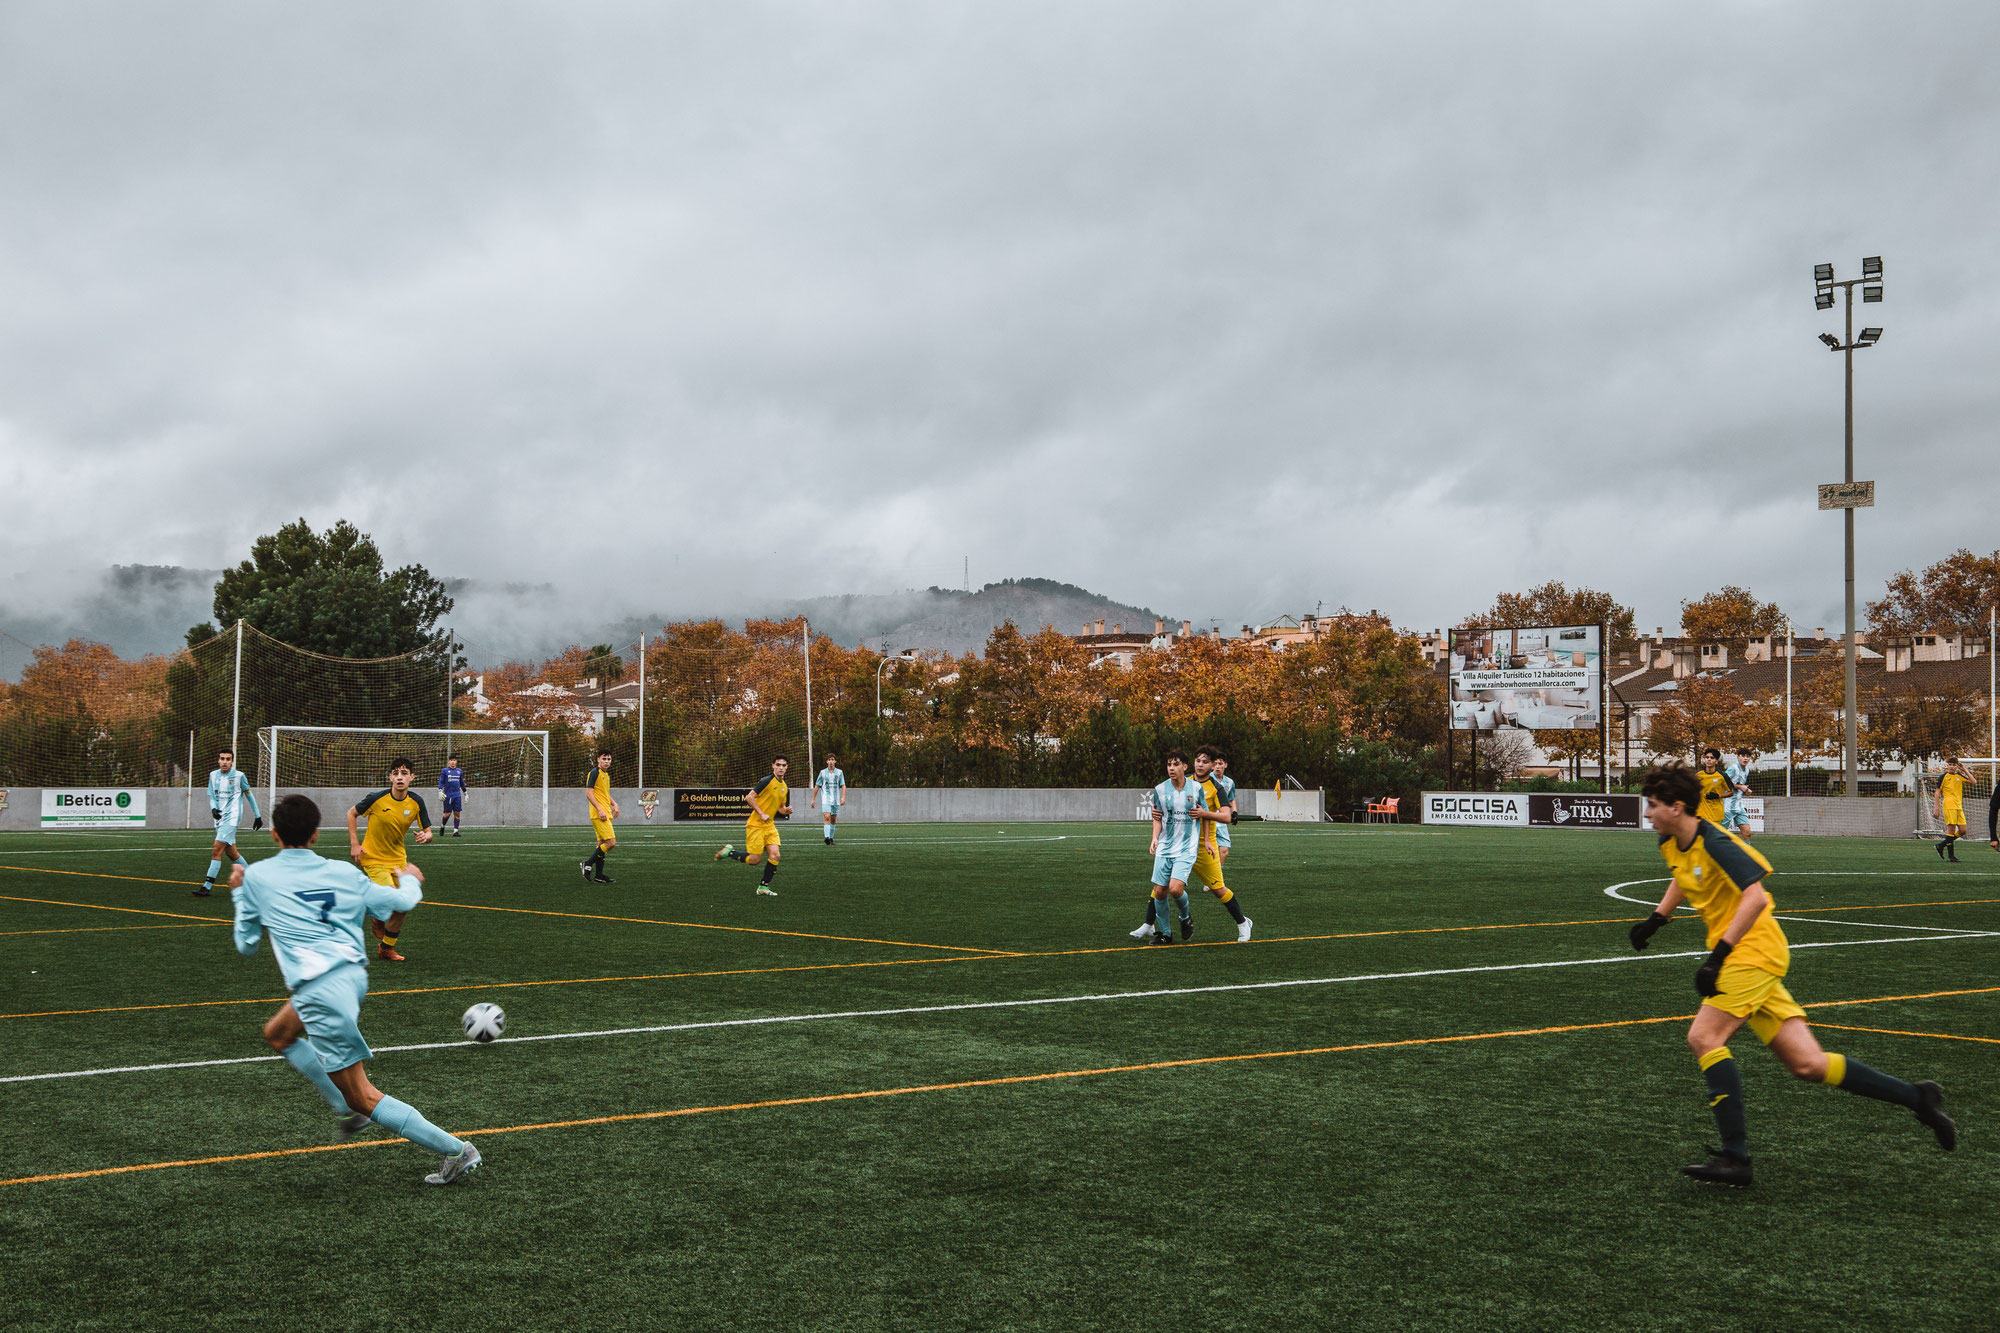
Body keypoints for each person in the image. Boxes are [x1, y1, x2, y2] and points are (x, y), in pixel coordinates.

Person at [1627, 761, 1955, 1186]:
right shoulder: (1672, 842)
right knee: (1808, 1064)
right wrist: (1657, 919)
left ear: (1676, 807)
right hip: (1748, 956)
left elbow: (1756, 898)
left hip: (1753, 953)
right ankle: (1919, 1098)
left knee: (1703, 1037)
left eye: (1652, 805)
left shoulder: (1717, 841)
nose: (1647, 813)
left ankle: (1735, 1157)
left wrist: (1718, 957)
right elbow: (1684, 877)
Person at [230, 794, 480, 1185]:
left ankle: (455, 1149)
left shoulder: (258, 876)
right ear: (315, 835)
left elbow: (246, 946)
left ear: (274, 834)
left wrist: (238, 892)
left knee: (361, 1094)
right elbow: (396, 903)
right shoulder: (343, 872)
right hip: (349, 977)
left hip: (319, 991)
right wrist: (412, 879)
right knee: (278, 1033)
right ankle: (345, 1107)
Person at [1129, 751, 1226, 944]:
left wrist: (1206, 840)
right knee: (1159, 891)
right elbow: (1157, 817)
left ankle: (1184, 917)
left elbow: (1204, 814)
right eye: (1168, 765)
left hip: (1186, 847)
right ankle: (1166, 934)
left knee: (1175, 889)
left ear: (1184, 767)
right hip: (1165, 846)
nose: (1171, 768)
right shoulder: (1160, 789)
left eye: (1175, 764)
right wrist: (1154, 838)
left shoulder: (1196, 788)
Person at [346, 758, 433, 962]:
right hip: (373, 858)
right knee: (394, 897)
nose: (400, 777)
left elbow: (429, 832)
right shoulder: (376, 798)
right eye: (396, 773)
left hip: (398, 861)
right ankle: (377, 914)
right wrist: (354, 844)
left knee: (404, 906)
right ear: (390, 777)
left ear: (412, 777)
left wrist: (426, 836)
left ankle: (386, 948)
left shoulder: (416, 802)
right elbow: (351, 814)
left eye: (404, 773)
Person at [1192, 747, 1252, 941]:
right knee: (1163, 886)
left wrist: (1205, 815)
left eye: (1206, 762)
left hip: (1203, 844)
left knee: (1218, 888)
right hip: (1180, 844)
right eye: (1197, 760)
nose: (1201, 764)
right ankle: (1151, 925)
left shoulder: (1218, 787)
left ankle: (1243, 922)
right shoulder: (1184, 782)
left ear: (1212, 766)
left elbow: (1225, 815)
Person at [717, 756, 790, 896]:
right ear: (773, 766)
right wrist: (761, 813)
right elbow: (749, 797)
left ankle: (763, 887)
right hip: (756, 825)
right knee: (754, 860)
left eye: (784, 765)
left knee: (775, 855)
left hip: (770, 826)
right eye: (778, 765)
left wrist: (786, 810)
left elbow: (781, 808)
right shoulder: (766, 781)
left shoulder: (784, 787)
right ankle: (729, 852)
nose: (781, 768)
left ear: (787, 767)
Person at [196, 747, 262, 897]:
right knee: (232, 853)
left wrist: (257, 816)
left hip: (232, 817)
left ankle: (206, 887)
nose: (225, 762)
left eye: (228, 759)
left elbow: (249, 795)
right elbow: (212, 796)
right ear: (218, 760)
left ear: (232, 761)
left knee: (216, 850)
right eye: (222, 759)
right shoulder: (212, 775)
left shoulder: (239, 776)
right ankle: (254, 881)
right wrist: (213, 809)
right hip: (219, 818)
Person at [580, 748, 618, 883]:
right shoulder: (594, 773)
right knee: (611, 843)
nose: (607, 761)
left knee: (601, 844)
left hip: (606, 812)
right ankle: (587, 864)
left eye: (608, 759)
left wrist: (614, 804)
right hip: (599, 814)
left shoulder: (606, 775)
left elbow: (605, 794)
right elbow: (589, 793)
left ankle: (599, 875)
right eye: (604, 759)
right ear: (598, 759)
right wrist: (600, 810)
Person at [1935, 756, 1968, 862]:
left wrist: (1964, 769)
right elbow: (1937, 793)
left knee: (1963, 830)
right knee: (1951, 830)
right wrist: (1936, 808)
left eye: (1954, 765)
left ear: (1957, 766)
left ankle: (1941, 845)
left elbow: (1973, 781)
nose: (1952, 767)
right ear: (1947, 766)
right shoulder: (1943, 777)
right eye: (1950, 765)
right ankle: (1951, 856)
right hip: (1949, 806)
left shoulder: (1959, 776)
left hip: (1959, 806)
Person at [1210, 753, 1239, 867]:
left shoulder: (1230, 782)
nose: (1217, 766)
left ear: (1225, 765)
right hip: (1207, 819)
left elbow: (1231, 799)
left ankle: (1215, 880)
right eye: (1215, 763)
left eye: (1220, 763)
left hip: (1221, 821)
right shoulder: (1206, 779)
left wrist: (1235, 812)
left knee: (1224, 851)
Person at [812, 754, 847, 845]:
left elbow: (843, 785)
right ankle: (826, 838)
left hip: (836, 799)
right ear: (826, 761)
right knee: (827, 816)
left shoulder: (839, 772)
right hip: (826, 799)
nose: (831, 761)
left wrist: (843, 797)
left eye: (832, 759)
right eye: (829, 760)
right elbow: (817, 786)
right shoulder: (822, 773)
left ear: (835, 761)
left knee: (833, 818)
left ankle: (831, 838)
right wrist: (813, 799)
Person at [1722, 747, 1755, 840]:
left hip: (1739, 806)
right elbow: (1724, 782)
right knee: (1720, 832)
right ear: (1738, 757)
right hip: (1727, 805)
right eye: (1743, 756)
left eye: (1748, 756)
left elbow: (1739, 784)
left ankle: (1745, 853)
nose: (1745, 758)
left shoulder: (1747, 770)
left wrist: (1746, 790)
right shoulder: (1733, 768)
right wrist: (1740, 787)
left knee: (1747, 832)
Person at [1695, 748, 1731, 827]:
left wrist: (1718, 796)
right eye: (1707, 757)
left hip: (1716, 815)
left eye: (1712, 758)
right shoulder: (1698, 775)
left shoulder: (1722, 776)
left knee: (1711, 839)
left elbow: (1731, 792)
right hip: (1700, 813)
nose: (1709, 759)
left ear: (1716, 761)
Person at [437, 756, 467, 836]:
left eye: (454, 760)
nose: (453, 762)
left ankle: (455, 831)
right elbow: (441, 781)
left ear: (456, 761)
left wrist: (465, 793)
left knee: (457, 813)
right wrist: (440, 790)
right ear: (449, 762)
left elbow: (462, 783)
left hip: (457, 795)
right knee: (447, 814)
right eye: (451, 760)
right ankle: (442, 826)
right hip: (448, 795)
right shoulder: (445, 771)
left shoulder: (459, 771)